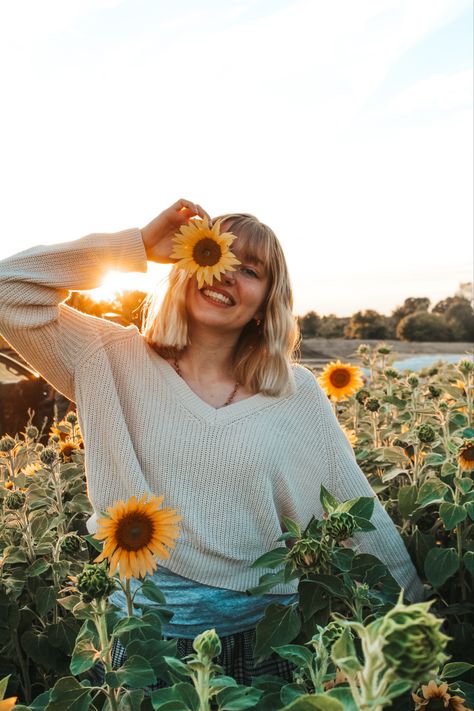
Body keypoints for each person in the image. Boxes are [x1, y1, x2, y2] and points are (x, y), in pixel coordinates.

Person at [0, 198, 423, 686]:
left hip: (269, 641)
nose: (226, 274)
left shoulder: (294, 391)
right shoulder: (108, 359)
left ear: (267, 301)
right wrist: (136, 245)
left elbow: (356, 508)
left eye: (250, 270)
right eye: (214, 254)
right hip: (143, 640)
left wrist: (413, 614)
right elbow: (9, 289)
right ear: (186, 267)